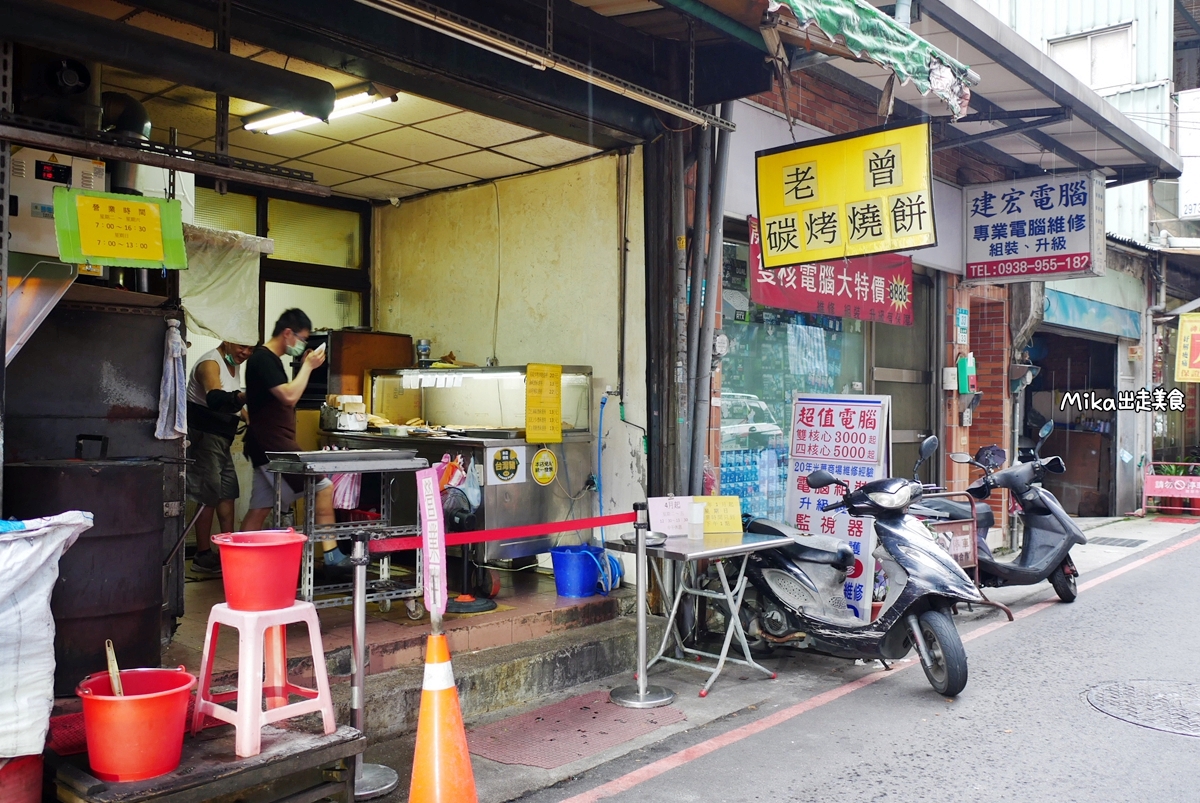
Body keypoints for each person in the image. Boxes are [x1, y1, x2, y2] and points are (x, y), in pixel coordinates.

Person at [240, 309, 349, 569]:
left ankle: (239, 562)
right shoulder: (263, 360)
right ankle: (332, 553)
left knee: (259, 509)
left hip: (265, 445)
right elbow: (289, 396)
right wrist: (308, 367)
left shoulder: (271, 361)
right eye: (301, 338)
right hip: (273, 446)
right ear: (287, 333)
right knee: (323, 487)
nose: (302, 345)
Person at [187, 340, 254, 575]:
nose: (245, 353)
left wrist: (248, 417)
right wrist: (245, 396)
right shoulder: (210, 363)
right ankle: (202, 555)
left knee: (227, 493)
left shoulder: (232, 363)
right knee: (208, 494)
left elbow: (232, 402)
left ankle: (228, 551)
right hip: (205, 438)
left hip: (222, 440)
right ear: (228, 340)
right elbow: (216, 398)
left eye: (251, 350)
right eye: (242, 347)